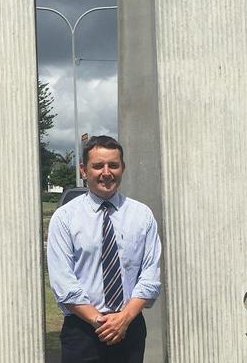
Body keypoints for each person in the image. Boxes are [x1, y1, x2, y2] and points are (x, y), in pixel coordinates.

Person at [47, 135, 161, 363]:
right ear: (83, 170)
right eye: (98, 166)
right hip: (82, 331)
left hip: (130, 328)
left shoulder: (142, 216)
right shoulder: (65, 218)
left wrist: (123, 319)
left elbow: (150, 277)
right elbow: (63, 282)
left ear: (123, 168)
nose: (106, 172)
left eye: (113, 165)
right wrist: (100, 321)